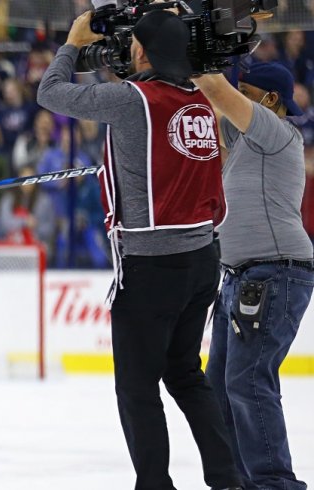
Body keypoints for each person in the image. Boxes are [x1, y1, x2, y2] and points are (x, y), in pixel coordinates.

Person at [37, 10, 242, 490]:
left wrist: (71, 43)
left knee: (136, 387)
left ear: (142, 51)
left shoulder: (132, 101)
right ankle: (227, 477)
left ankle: (155, 483)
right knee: (186, 374)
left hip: (153, 264)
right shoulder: (198, 100)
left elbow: (50, 92)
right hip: (202, 258)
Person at [194, 62, 313, 490]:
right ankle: (238, 482)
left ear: (270, 100)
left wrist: (191, 56)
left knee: (248, 381)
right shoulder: (242, 138)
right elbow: (207, 105)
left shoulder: (274, 131)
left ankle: (274, 484)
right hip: (241, 277)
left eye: (245, 92)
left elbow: (216, 91)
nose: (236, 98)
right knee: (222, 385)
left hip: (274, 270)